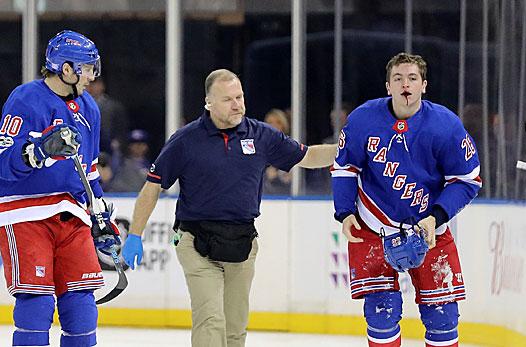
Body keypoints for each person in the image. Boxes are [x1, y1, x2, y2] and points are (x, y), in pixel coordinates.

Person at [121, 69, 337, 347]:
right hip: (195, 242)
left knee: (234, 330)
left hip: (242, 243)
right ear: (208, 102)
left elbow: (307, 156)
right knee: (211, 320)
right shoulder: (186, 140)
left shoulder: (260, 135)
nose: (237, 104)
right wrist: (136, 234)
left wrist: (346, 148)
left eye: (240, 97)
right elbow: (152, 187)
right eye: (227, 99)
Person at [331, 53, 482, 347]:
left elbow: (467, 180)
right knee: (380, 313)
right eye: (398, 79)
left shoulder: (445, 125)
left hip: (430, 232)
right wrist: (345, 211)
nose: (405, 85)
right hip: (373, 228)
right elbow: (344, 167)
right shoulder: (363, 119)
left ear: (424, 85)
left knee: (443, 317)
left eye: (412, 78)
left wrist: (435, 217)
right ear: (388, 86)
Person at [0, 30, 120, 347]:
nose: (93, 75)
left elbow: (90, 173)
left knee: (81, 307)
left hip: (73, 214)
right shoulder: (25, 99)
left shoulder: (89, 109)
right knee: (36, 304)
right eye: (88, 68)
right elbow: (3, 164)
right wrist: (38, 151)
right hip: (25, 211)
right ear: (66, 69)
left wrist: (101, 216)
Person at [263, 108, 293, 194]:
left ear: (284, 125)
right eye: (270, 122)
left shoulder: (291, 148)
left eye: (278, 122)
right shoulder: (258, 147)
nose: (274, 125)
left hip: (285, 194)